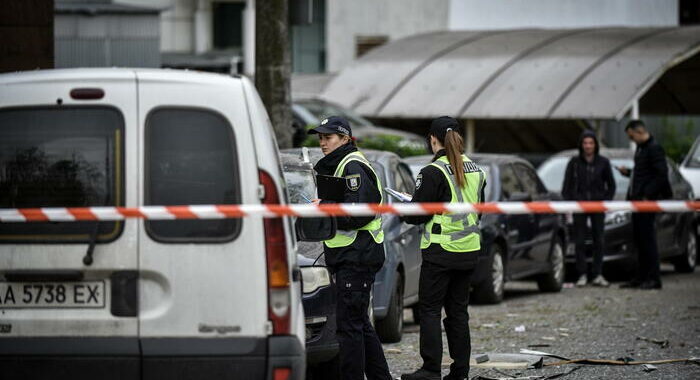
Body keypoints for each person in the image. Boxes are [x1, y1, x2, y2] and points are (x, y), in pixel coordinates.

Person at [401, 116, 486, 380]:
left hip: (440, 252)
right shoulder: (477, 170)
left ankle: (430, 370)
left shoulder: (432, 172)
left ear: (432, 140)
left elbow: (416, 215)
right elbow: (479, 212)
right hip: (469, 251)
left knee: (429, 310)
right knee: (458, 313)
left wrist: (405, 206)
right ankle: (460, 371)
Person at [308, 116, 392, 380]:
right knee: (359, 324)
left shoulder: (353, 165)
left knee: (349, 328)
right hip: (350, 256)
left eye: (328, 137)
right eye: (320, 138)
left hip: (357, 256)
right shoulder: (340, 165)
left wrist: (324, 207)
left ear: (345, 138)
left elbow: (359, 214)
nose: (322, 143)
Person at [618, 120, 672, 290]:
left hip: (645, 203)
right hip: (637, 202)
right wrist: (630, 173)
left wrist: (647, 195)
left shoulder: (654, 148)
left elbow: (661, 175)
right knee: (640, 241)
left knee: (648, 241)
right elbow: (645, 173)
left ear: (639, 131)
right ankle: (641, 277)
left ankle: (653, 278)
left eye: (632, 136)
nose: (632, 140)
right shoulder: (642, 149)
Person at [561, 130, 616, 287]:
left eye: (591, 143)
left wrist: (605, 201)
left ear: (595, 145)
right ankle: (582, 274)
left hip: (598, 205)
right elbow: (567, 186)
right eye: (585, 143)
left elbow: (611, 185)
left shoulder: (603, 162)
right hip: (580, 206)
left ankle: (597, 273)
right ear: (581, 145)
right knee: (580, 241)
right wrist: (571, 202)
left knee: (599, 239)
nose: (588, 146)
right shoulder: (574, 162)